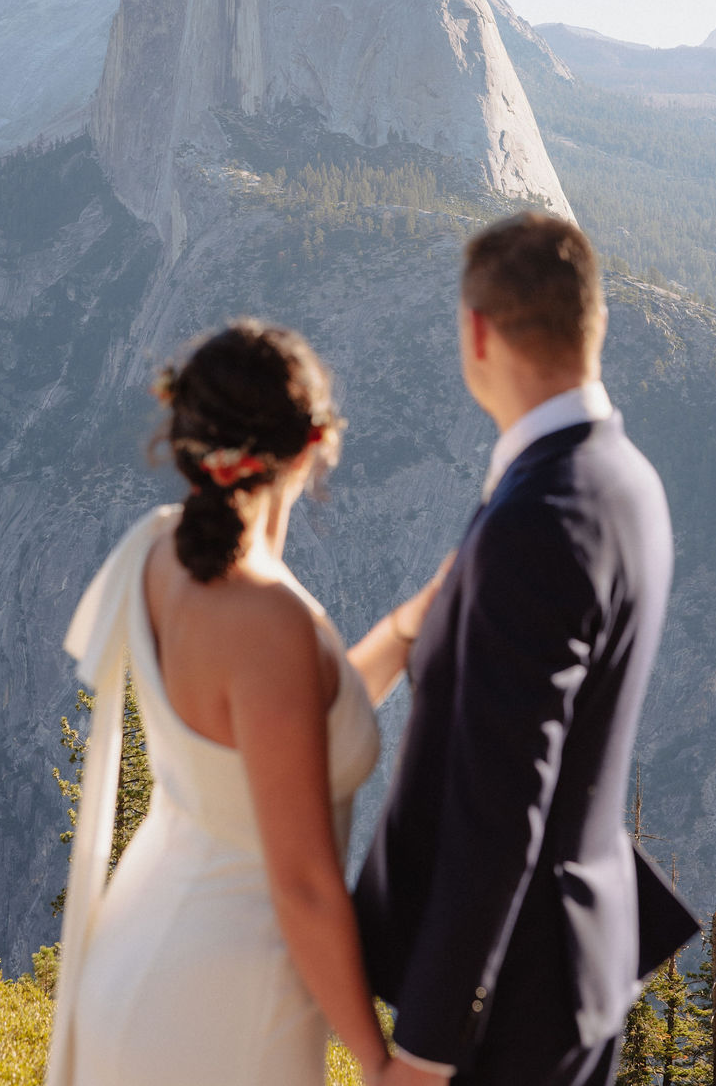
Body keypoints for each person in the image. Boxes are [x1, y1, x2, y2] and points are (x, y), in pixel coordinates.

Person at [44, 320, 442, 1086]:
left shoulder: (164, 552)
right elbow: (301, 881)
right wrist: (379, 1060)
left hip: (138, 946)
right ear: (312, 445)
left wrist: (403, 627)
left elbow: (286, 724)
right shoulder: (270, 621)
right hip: (224, 994)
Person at [355, 213, 699, 1086]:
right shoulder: (629, 479)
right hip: (575, 968)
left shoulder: (539, 517)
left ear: (476, 331)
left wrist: (428, 1047)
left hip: (510, 1009)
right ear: (597, 321)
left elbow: (503, 806)